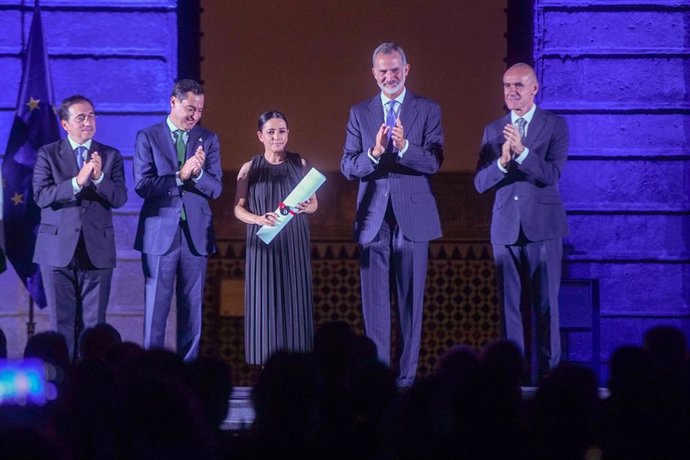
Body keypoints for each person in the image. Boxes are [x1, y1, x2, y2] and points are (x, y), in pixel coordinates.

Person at [341, 42, 444, 387]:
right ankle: (379, 379)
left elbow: (433, 161)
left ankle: (406, 378)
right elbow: (347, 165)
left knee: (410, 302)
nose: (389, 76)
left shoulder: (427, 109)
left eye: (395, 69)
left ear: (407, 69)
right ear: (373, 73)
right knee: (375, 305)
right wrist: (372, 153)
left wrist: (404, 148)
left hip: (413, 215)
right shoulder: (360, 112)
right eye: (382, 70)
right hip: (373, 216)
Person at [474, 63, 569, 382]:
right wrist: (502, 162)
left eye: (518, 85)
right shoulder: (492, 129)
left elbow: (553, 174)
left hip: (543, 228)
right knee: (509, 309)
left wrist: (524, 154)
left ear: (534, 88)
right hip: (505, 228)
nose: (511, 91)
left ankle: (548, 379)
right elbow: (480, 183)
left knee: (546, 308)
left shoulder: (555, 125)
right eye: (506, 86)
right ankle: (511, 380)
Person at [33, 95, 127, 360]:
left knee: (94, 327)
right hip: (56, 251)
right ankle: (63, 387)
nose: (88, 122)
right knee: (62, 325)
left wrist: (98, 178)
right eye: (81, 117)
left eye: (92, 116)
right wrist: (76, 182)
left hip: (96, 250)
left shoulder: (110, 156)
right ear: (65, 124)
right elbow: (41, 196)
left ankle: (90, 385)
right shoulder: (47, 154)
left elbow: (119, 198)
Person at [134, 79, 222, 361]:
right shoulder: (148, 136)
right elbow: (143, 185)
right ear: (173, 102)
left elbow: (216, 189)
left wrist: (197, 174)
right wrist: (179, 176)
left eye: (200, 110)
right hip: (159, 232)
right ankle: (151, 370)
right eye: (190, 108)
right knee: (156, 309)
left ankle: (189, 374)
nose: (195, 115)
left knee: (192, 308)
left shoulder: (207, 139)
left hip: (195, 235)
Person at [234, 110, 317, 365]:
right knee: (264, 304)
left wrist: (306, 207)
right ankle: (264, 366)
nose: (277, 137)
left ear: (288, 133)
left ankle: (297, 364)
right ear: (260, 136)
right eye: (271, 132)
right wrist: (258, 219)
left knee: (295, 300)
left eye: (281, 131)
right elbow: (238, 209)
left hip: (294, 241)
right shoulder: (250, 168)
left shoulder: (300, 163)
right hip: (263, 243)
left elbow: (314, 204)